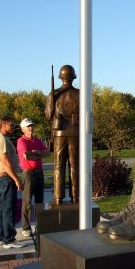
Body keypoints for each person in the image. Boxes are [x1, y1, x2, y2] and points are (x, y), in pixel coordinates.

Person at [45, 64, 79, 204]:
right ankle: (75, 196)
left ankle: (58, 198)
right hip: (76, 133)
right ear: (73, 77)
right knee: (75, 165)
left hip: (59, 133)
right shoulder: (80, 94)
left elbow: (47, 116)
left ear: (61, 77)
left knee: (58, 166)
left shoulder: (54, 94)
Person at [0, 115, 26, 249]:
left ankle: (0, 237)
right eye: (11, 124)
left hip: (1, 178)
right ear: (3, 125)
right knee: (8, 209)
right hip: (6, 178)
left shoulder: (0, 138)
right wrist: (16, 179)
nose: (13, 126)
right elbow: (6, 162)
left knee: (1, 209)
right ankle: (9, 240)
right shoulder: (1, 140)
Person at [17, 118, 50, 237]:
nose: (31, 128)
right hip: (29, 173)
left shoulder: (37, 140)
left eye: (32, 125)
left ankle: (39, 225)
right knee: (27, 202)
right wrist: (38, 154)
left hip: (39, 172)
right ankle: (26, 227)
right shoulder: (21, 141)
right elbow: (27, 156)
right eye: (28, 126)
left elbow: (48, 153)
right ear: (23, 129)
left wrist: (38, 153)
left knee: (39, 201)